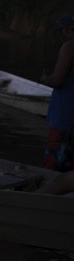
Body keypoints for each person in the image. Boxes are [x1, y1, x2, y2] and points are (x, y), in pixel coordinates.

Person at [41, 16, 74, 172]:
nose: (61, 36)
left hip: (65, 118)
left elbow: (57, 80)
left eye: (61, 31)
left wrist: (45, 79)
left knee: (54, 167)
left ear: (67, 30)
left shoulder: (69, 47)